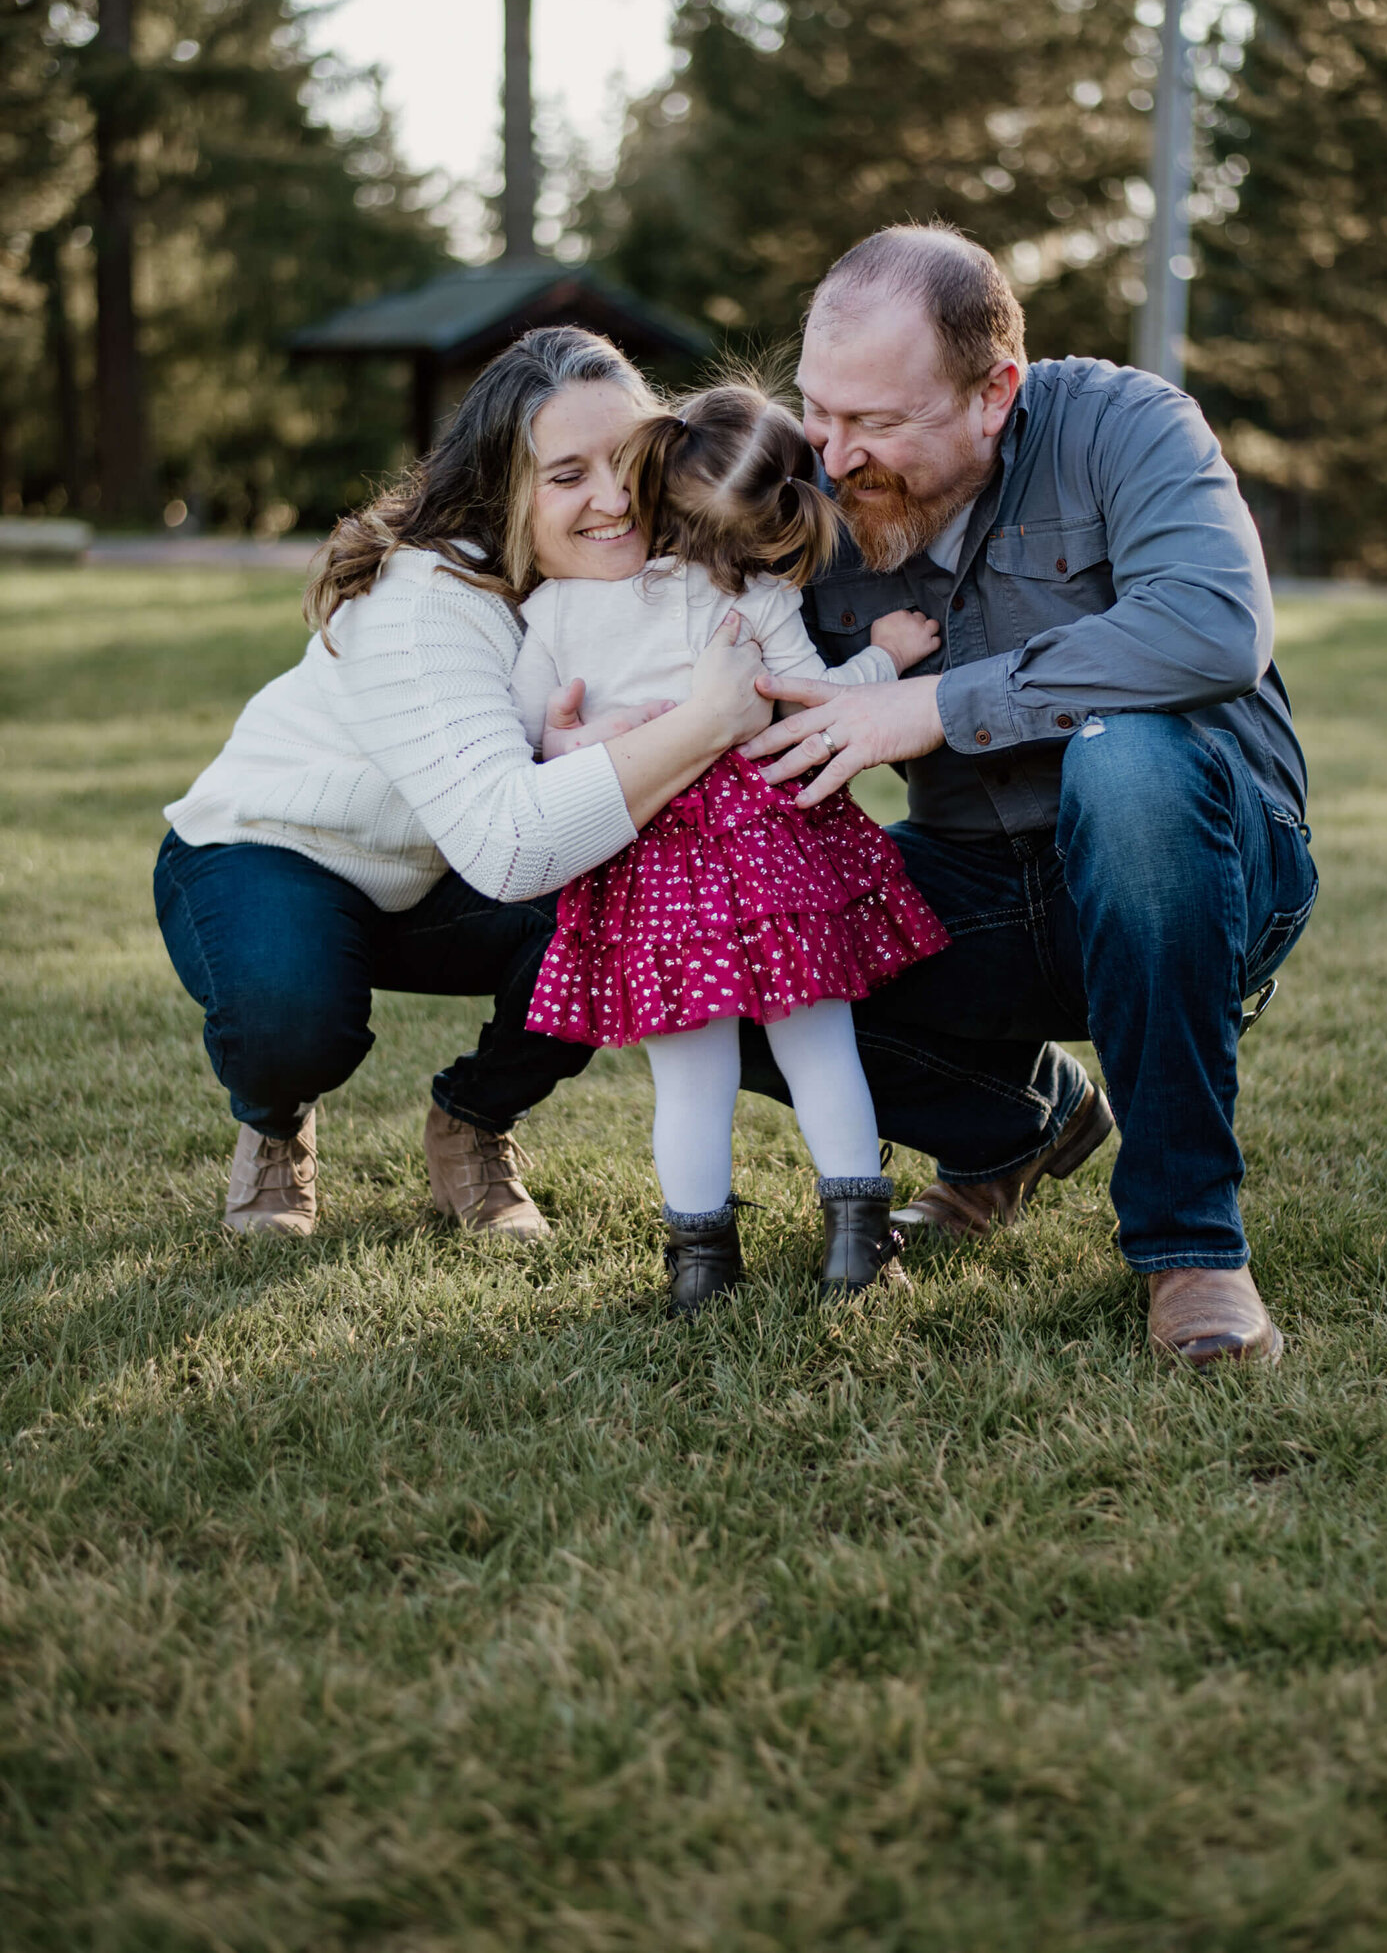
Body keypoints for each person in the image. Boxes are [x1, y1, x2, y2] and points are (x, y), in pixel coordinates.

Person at [737, 224, 1318, 1367]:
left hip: (1205, 853)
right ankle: (1019, 1122)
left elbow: (1213, 627)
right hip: (983, 878)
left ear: (994, 391)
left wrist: (938, 704)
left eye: (879, 421)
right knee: (724, 925)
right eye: (818, 408)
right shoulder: (805, 489)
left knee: (1127, 757)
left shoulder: (1126, 424)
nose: (836, 453)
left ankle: (1189, 1244)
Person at [153, 327, 775, 1241]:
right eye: (567, 476)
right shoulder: (425, 598)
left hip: (438, 869)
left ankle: (473, 1122)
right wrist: (709, 719)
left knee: (631, 909)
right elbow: (513, 844)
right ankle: (275, 1120)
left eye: (630, 462)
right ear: (503, 487)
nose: (614, 501)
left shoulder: (654, 570)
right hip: (278, 847)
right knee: (297, 1019)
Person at [510, 381, 950, 1313]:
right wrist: (889, 654)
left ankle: (702, 1267)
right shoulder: (754, 595)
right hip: (767, 850)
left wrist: (576, 739)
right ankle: (856, 1246)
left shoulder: (556, 608)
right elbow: (811, 695)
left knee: (690, 1078)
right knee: (822, 1045)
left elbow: (533, 734)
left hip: (652, 861)